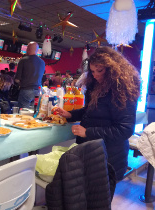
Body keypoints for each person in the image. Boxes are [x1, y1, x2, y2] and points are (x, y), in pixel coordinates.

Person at [55, 46, 141, 181]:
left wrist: (88, 132)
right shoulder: (94, 84)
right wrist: (71, 114)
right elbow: (90, 110)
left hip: (110, 155)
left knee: (99, 198)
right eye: (92, 71)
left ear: (113, 69)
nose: (95, 74)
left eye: (99, 70)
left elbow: (124, 130)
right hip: (90, 150)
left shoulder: (122, 90)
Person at [15, 42, 45, 109]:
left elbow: (17, 79)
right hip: (38, 91)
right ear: (37, 50)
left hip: (26, 90)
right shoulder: (42, 62)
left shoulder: (23, 60)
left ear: (28, 49)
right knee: (33, 112)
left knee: (23, 113)